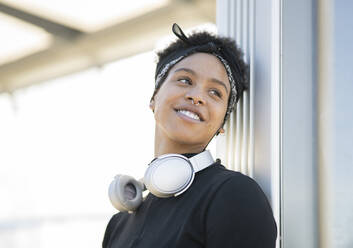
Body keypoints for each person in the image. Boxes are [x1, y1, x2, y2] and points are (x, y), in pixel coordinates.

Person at [103, 23, 277, 248]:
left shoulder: (234, 194)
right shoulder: (118, 224)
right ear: (154, 97)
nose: (197, 97)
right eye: (185, 80)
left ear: (221, 123)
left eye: (215, 92)